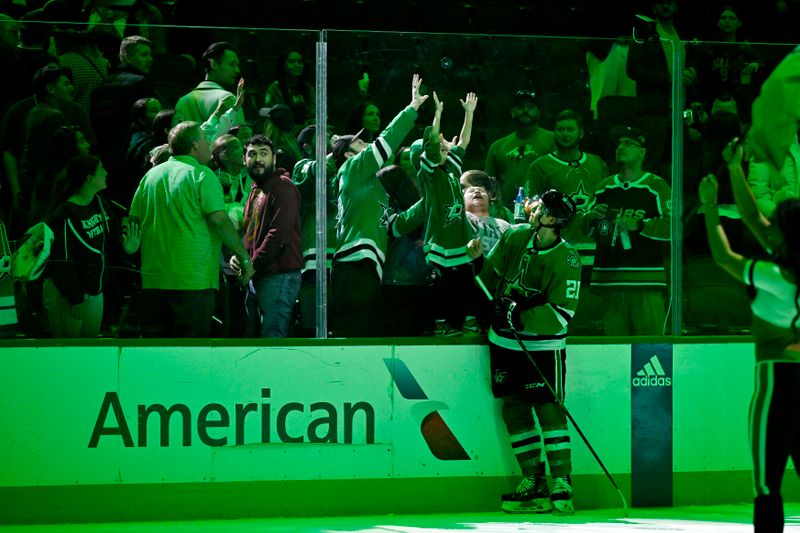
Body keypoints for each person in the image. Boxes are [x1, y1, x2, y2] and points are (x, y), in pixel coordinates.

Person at [700, 144, 800, 533]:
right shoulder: (788, 264)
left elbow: (724, 257)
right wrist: (734, 168)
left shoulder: (774, 277)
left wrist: (709, 207)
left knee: (766, 485)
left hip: (778, 380)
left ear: (785, 237)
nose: (766, 225)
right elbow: (753, 218)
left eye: (774, 224)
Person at [468, 189, 581, 515]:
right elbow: (492, 280)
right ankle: (533, 480)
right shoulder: (516, 236)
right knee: (514, 407)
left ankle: (562, 480)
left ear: (554, 220)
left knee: (548, 407)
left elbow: (561, 314)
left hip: (542, 346)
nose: (536, 208)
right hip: (505, 342)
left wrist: (517, 313)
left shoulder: (568, 258)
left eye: (545, 207)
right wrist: (477, 262)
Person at [129, 121, 253, 337]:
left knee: (157, 349)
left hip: (153, 280)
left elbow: (132, 222)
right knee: (191, 350)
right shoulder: (202, 175)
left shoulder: (150, 176)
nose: (209, 146)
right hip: (192, 281)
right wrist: (243, 256)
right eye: (206, 141)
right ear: (195, 145)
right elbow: (219, 221)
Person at [331, 74, 428, 337]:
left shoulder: (374, 189)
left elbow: (398, 225)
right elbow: (386, 141)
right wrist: (412, 109)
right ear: (349, 155)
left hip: (367, 268)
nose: (368, 145)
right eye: (361, 143)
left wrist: (434, 194)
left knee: (365, 339)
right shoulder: (351, 170)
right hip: (354, 266)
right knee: (356, 340)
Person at [584, 127, 671, 336]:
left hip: (646, 282)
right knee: (615, 354)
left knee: (651, 351)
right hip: (610, 281)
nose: (621, 147)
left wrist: (639, 225)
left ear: (642, 152)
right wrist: (590, 218)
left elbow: (673, 228)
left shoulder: (656, 186)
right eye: (620, 143)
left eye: (629, 143)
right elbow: (584, 230)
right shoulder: (603, 187)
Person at [41, 154, 138, 337]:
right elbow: (62, 262)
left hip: (94, 293)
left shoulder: (100, 204)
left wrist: (128, 250)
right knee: (68, 355)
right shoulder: (63, 216)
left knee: (89, 350)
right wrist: (75, 297)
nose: (106, 172)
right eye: (101, 169)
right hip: (68, 296)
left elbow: (111, 245)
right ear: (89, 178)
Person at [413, 90, 478, 334]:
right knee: (441, 286)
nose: (444, 147)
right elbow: (431, 144)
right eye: (439, 146)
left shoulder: (451, 168)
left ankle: (467, 321)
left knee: (464, 283)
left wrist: (468, 114)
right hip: (439, 241)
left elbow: (463, 142)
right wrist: (437, 113)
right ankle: (440, 325)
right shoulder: (428, 174)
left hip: (459, 241)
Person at [236, 134, 302, 338]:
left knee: (273, 340)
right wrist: (239, 256)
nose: (258, 159)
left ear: (274, 159)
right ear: (244, 159)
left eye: (264, 154)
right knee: (255, 339)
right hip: (258, 275)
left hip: (278, 276)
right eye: (252, 154)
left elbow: (278, 234)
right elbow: (250, 234)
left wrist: (251, 265)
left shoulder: (283, 186)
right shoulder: (255, 190)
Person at [484, 89, 554, 208]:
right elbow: (488, 184)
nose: (525, 110)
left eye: (530, 107)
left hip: (543, 209)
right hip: (506, 211)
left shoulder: (553, 141)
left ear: (538, 112)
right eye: (520, 107)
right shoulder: (497, 146)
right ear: (512, 112)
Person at [175, 42, 243, 126]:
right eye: (232, 64)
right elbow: (237, 137)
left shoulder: (182, 101)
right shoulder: (228, 99)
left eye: (237, 65)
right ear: (213, 64)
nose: (237, 70)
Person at [263, 49, 315, 132]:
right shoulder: (274, 89)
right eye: (291, 62)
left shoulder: (309, 88)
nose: (297, 65)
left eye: (300, 62)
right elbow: (273, 117)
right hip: (282, 132)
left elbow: (313, 114)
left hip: (305, 130)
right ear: (283, 65)